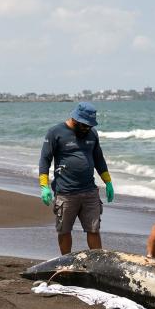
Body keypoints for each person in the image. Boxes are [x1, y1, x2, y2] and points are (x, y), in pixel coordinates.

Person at [39, 102, 114, 255]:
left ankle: (97, 262)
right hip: (66, 193)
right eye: (85, 125)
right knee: (64, 230)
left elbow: (99, 159)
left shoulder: (92, 133)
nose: (87, 128)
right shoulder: (55, 132)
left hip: (90, 192)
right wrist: (44, 186)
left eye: (89, 125)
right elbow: (45, 160)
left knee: (94, 229)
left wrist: (108, 182)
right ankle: (66, 262)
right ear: (75, 119)